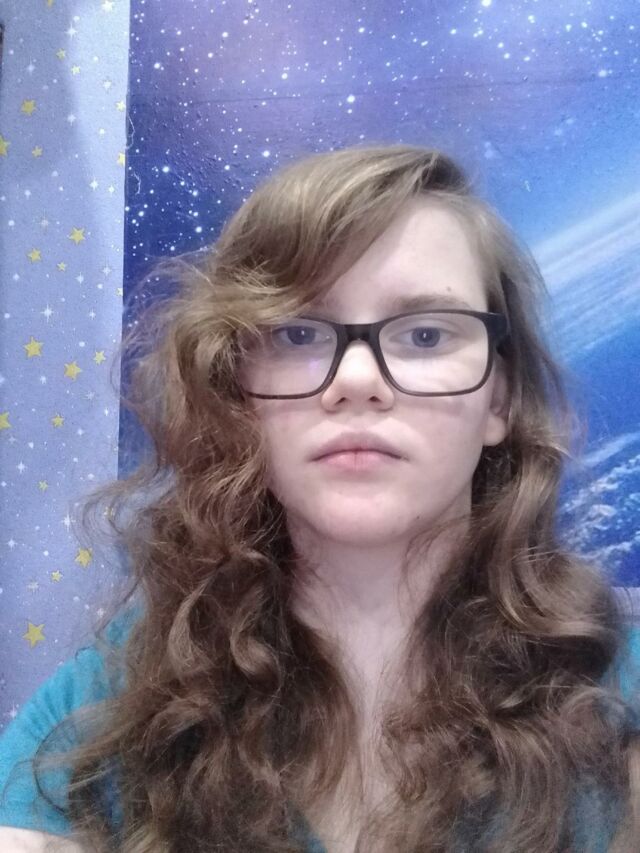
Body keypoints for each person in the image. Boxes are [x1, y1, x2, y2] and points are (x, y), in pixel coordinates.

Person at [1, 143, 640, 853]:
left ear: (499, 399)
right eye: (297, 333)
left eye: (426, 334)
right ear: (237, 391)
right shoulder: (109, 698)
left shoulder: (619, 695)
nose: (357, 380)